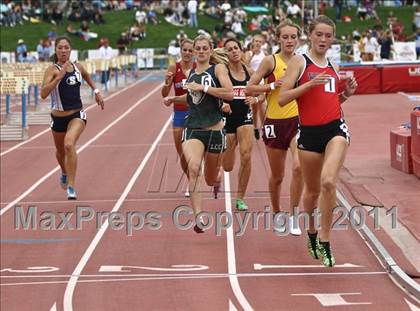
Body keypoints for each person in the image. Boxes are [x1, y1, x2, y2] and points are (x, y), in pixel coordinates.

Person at [278, 15, 357, 267]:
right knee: (311, 193)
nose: (323, 39)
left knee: (328, 182)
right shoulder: (300, 62)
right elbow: (283, 98)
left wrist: (346, 93)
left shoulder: (332, 65)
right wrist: (309, 84)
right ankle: (311, 233)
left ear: (333, 38)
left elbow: (331, 103)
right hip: (309, 134)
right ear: (310, 36)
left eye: (328, 35)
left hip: (336, 130)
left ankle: (325, 239)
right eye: (319, 34)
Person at [164, 35, 233, 233]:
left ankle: (216, 179)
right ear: (194, 52)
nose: (201, 51)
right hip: (193, 128)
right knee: (193, 169)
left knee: (211, 178)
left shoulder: (217, 69)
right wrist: (174, 99)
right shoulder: (192, 73)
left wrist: (204, 87)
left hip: (215, 130)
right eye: (198, 48)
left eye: (204, 48)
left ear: (210, 50)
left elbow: (229, 93)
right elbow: (192, 97)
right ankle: (199, 217)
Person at [246, 20, 303, 236]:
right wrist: (271, 86)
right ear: (278, 38)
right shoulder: (271, 61)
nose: (289, 41)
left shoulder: (303, 61)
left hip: (297, 121)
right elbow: (250, 87)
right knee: (277, 176)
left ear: (298, 39)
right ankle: (277, 212)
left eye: (293, 37)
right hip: (274, 123)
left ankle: (293, 215)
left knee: (298, 167)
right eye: (285, 37)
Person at [40, 36, 104, 200]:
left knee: (69, 144)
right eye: (60, 48)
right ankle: (63, 171)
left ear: (70, 50)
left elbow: (87, 76)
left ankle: (71, 186)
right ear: (55, 50)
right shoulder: (52, 70)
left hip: (76, 114)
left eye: (66, 47)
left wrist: (96, 92)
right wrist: (59, 77)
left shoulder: (78, 67)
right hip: (57, 118)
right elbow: (43, 94)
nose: (63, 50)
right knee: (60, 152)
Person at [223, 38, 262, 211]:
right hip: (227, 119)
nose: (234, 51)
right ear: (226, 54)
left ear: (241, 50)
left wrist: (255, 98)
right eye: (230, 49)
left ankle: (240, 198)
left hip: (245, 118)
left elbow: (264, 93)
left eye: (236, 48)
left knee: (246, 156)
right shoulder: (222, 72)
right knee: (228, 165)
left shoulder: (251, 72)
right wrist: (221, 103)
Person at [161, 39, 195, 196]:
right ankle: (190, 179)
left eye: (190, 50)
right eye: (185, 50)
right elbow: (164, 94)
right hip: (179, 113)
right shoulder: (174, 66)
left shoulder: (198, 67)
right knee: (181, 152)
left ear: (194, 52)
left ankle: (194, 180)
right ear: (181, 51)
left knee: (194, 151)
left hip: (196, 113)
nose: (187, 53)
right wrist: (167, 82)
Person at [244, 34, 267, 140]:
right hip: (252, 83)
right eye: (256, 41)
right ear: (252, 42)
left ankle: (264, 128)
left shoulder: (264, 54)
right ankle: (255, 128)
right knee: (254, 109)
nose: (257, 43)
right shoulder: (248, 53)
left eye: (260, 41)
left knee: (263, 106)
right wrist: (252, 53)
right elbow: (245, 65)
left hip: (261, 83)